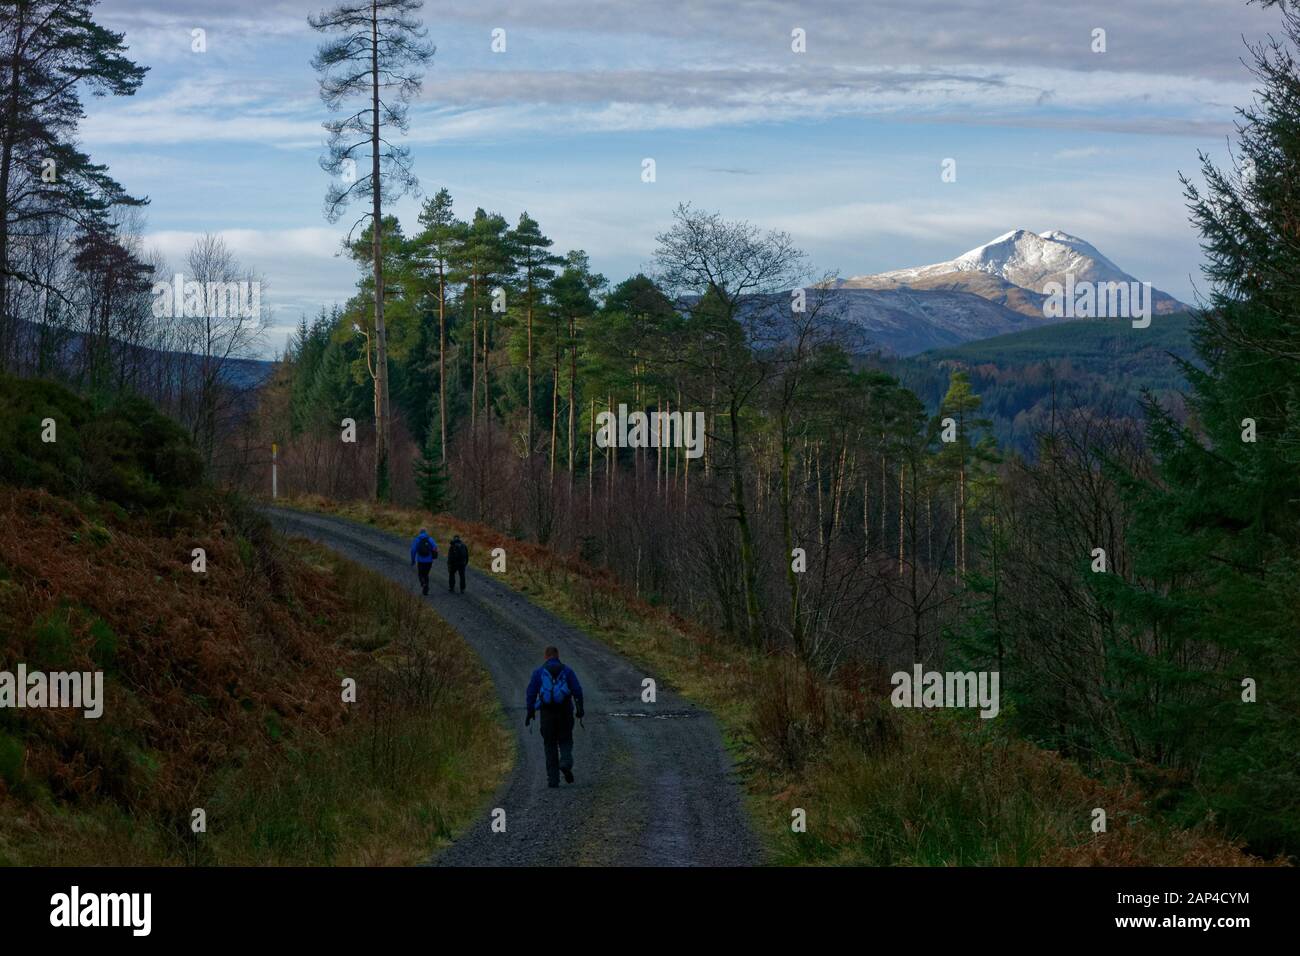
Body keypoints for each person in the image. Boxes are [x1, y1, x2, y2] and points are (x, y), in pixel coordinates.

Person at [524, 646, 585, 788]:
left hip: (547, 714)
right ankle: (565, 763)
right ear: (558, 655)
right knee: (565, 740)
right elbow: (577, 690)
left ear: (545, 656)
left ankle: (553, 780)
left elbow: (531, 693)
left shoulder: (539, 672)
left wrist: (530, 712)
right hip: (565, 712)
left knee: (549, 745)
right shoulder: (567, 671)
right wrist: (580, 708)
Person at [409, 527, 438, 595]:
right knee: (426, 574)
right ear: (426, 532)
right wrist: (434, 555)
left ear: (420, 532)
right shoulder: (430, 539)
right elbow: (435, 547)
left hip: (421, 561)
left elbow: (413, 550)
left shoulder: (417, 539)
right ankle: (425, 589)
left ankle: (423, 584)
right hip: (429, 561)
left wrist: (413, 560)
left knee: (420, 574)